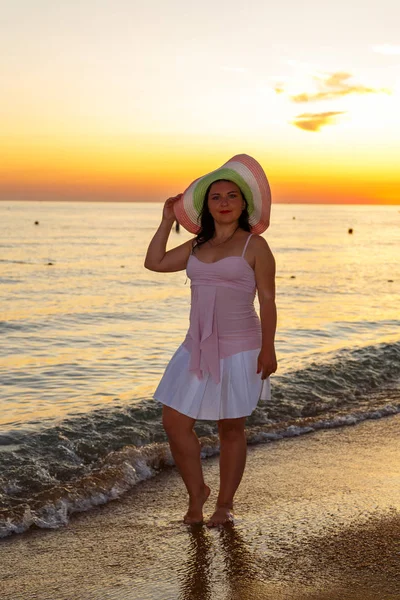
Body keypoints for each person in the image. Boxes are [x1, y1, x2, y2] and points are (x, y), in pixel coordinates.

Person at [144, 154, 277, 527]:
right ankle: (196, 493)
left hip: (241, 347)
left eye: (231, 195)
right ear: (208, 206)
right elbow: (154, 262)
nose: (223, 202)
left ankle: (224, 504)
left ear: (243, 204)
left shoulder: (256, 247)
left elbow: (267, 300)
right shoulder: (196, 246)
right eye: (216, 197)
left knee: (230, 428)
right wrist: (167, 219)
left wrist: (268, 348)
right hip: (195, 347)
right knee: (174, 422)